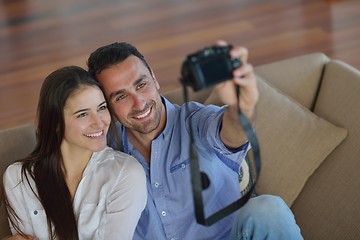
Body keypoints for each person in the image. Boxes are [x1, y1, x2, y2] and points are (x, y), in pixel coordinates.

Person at [87, 40, 303, 240]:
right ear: (106, 105)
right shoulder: (103, 152)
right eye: (121, 96)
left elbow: (233, 133)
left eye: (141, 84)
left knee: (268, 209)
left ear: (154, 78)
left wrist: (242, 106)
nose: (139, 103)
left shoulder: (197, 121)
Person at [1, 66, 147, 240]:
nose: (99, 123)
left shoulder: (126, 174)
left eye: (101, 108)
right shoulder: (18, 179)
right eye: (83, 114)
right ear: (55, 122)